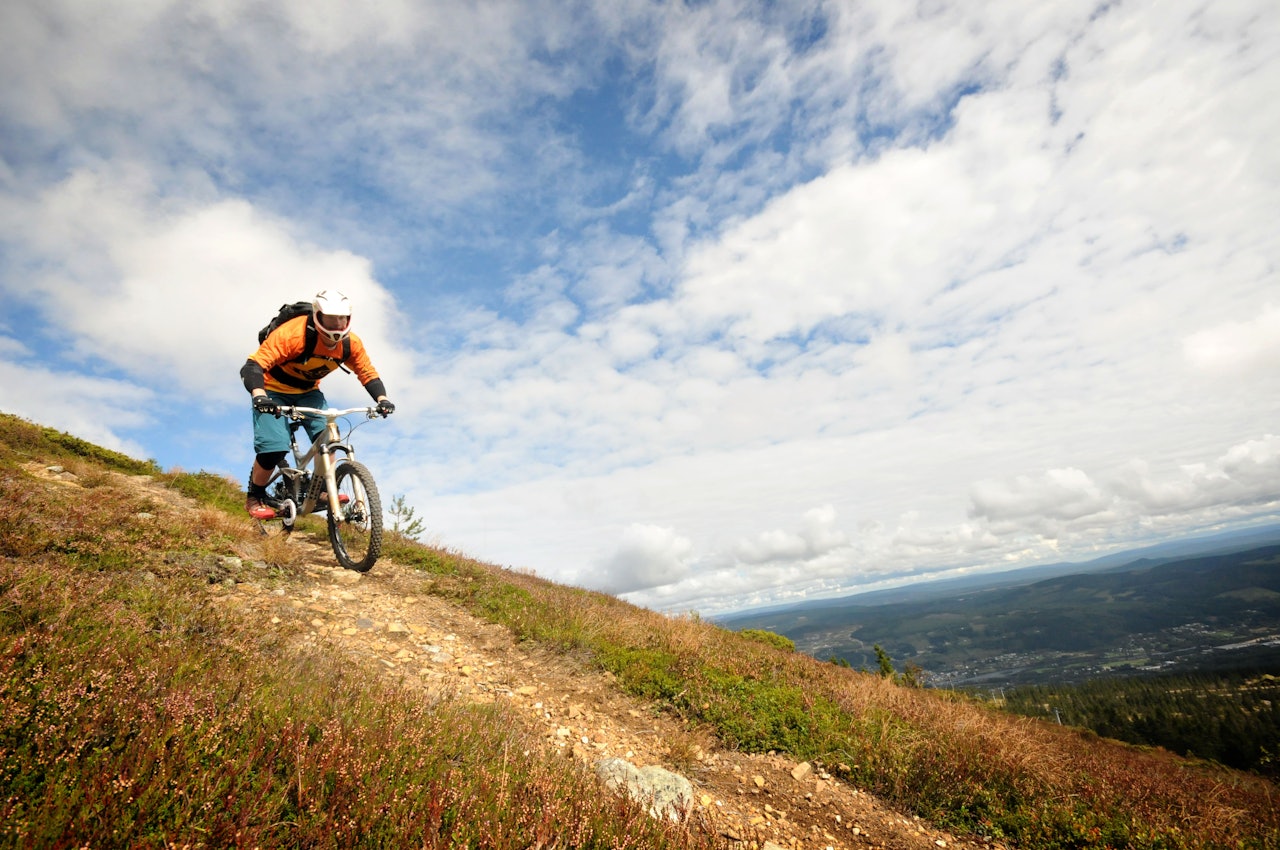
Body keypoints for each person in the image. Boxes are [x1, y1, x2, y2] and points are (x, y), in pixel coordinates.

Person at [240, 289, 395, 518]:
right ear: (317, 316)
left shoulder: (350, 343)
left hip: (308, 392)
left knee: (329, 437)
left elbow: (367, 372)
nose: (337, 325)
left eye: (341, 318)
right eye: (331, 318)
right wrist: (259, 395)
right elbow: (253, 365)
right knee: (273, 448)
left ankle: (322, 489)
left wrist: (382, 399)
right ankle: (255, 497)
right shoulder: (293, 334)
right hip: (272, 390)